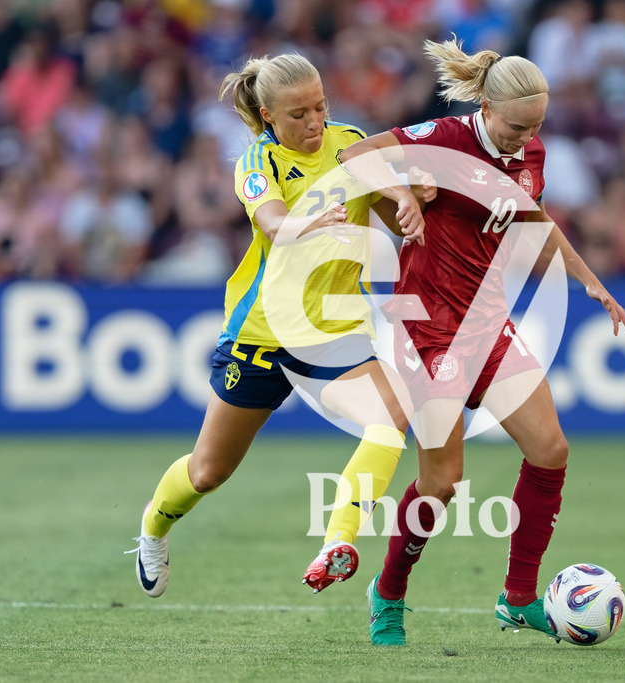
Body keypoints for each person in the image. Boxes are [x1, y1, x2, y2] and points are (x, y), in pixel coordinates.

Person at [338, 38, 625, 646]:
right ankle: (388, 593)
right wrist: (398, 196)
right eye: (518, 125)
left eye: (537, 126)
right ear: (488, 110)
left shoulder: (532, 153)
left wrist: (591, 283)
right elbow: (355, 156)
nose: (527, 137)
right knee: (441, 484)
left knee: (550, 449)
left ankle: (517, 597)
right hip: (428, 329)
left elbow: (532, 221)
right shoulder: (443, 138)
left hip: (487, 321)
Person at [130, 53, 424, 599]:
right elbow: (271, 221)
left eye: (320, 107)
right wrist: (312, 219)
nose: (315, 123)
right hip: (261, 335)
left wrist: (407, 198)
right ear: (267, 116)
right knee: (207, 474)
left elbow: (389, 204)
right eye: (298, 115)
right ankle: (153, 527)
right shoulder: (255, 162)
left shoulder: (350, 141)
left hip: (333, 333)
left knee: (390, 419)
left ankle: (337, 543)